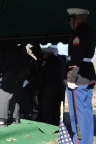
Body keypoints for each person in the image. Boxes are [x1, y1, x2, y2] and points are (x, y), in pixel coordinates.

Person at [66, 8, 96, 144]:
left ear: (75, 18)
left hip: (79, 76)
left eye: (70, 20)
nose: (69, 23)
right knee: (86, 112)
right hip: (87, 74)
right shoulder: (89, 31)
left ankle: (81, 142)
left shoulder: (80, 33)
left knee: (78, 114)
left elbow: (76, 57)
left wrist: (71, 78)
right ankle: (86, 141)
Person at [0, 37, 31, 127]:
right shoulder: (10, 44)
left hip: (14, 69)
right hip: (25, 68)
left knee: (4, 91)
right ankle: (15, 117)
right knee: (16, 91)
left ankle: (1, 119)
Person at [35, 48, 65, 126]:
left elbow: (42, 73)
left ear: (48, 54)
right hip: (59, 88)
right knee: (56, 108)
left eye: (44, 54)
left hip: (49, 88)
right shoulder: (60, 61)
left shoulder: (49, 62)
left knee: (46, 107)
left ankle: (45, 124)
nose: (43, 56)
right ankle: (56, 123)